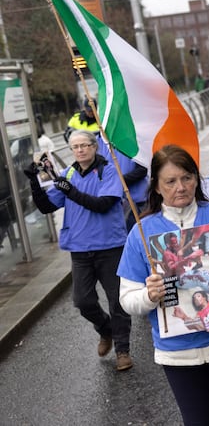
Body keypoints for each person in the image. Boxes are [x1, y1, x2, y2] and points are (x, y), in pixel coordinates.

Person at [117, 145, 209, 424]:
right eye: (170, 181)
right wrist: (149, 295)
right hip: (178, 355)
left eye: (187, 178)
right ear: (157, 187)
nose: (181, 187)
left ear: (197, 179)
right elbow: (128, 297)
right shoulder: (141, 232)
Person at [24, 130, 132, 371]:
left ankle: (123, 350)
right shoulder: (68, 173)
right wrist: (33, 181)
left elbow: (103, 205)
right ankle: (105, 330)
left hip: (110, 246)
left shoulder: (109, 170)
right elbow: (45, 207)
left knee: (118, 301)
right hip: (80, 249)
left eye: (85, 145)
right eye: (75, 147)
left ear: (95, 147)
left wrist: (70, 191)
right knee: (83, 301)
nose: (80, 150)